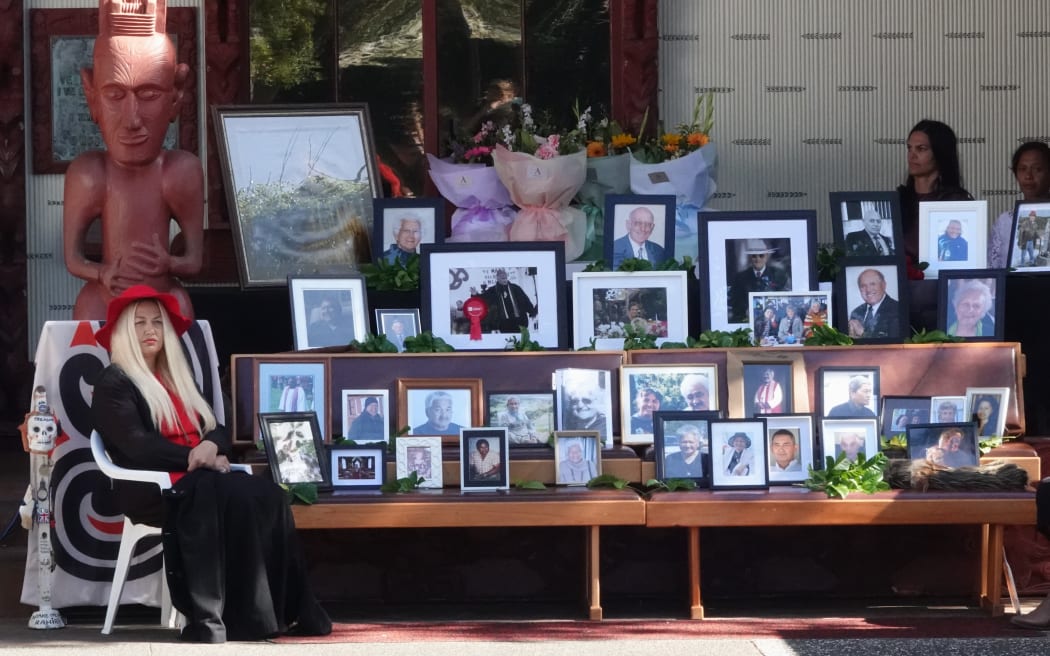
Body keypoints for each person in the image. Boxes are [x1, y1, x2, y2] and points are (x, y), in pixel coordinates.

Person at [89, 285, 330, 642]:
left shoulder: (177, 377)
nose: (150, 330)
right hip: (152, 486)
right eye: (138, 323)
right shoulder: (115, 381)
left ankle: (286, 610)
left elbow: (217, 427)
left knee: (267, 496)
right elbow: (136, 446)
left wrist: (207, 446)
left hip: (200, 477)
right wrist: (192, 456)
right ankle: (216, 619)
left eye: (157, 322)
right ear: (124, 332)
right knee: (227, 496)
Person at [63, 0, 205, 321]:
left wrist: (170, 264)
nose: (132, 120)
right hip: (104, 301)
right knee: (88, 311)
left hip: (161, 305)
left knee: (179, 310)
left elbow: (194, 262)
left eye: (149, 94)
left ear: (176, 98)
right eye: (114, 95)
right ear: (91, 97)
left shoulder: (180, 172)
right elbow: (73, 259)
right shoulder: (89, 174)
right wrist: (101, 275)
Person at [897, 119, 973, 263]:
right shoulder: (897, 200)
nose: (912, 156)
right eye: (909, 148)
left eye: (921, 149)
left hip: (943, 283)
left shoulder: (958, 202)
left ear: (940, 153)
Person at [989, 142, 1050, 268]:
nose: (1028, 176)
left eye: (1037, 169)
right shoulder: (1004, 221)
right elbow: (993, 268)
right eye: (1022, 169)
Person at [728, 239, 790, 323]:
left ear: (767, 256)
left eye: (761, 255)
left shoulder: (778, 275)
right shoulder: (740, 277)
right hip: (746, 320)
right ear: (750, 257)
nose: (758, 259)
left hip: (772, 319)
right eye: (754, 256)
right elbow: (734, 302)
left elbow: (785, 299)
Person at [476, 268, 537, 333]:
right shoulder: (493, 290)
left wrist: (532, 312)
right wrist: (475, 294)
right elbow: (483, 299)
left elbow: (525, 300)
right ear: (497, 278)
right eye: (502, 278)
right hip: (504, 324)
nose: (505, 280)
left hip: (520, 321)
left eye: (505, 278)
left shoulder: (515, 288)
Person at [847, 268, 900, 339]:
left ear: (884, 285)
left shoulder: (897, 309)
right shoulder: (856, 312)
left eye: (872, 284)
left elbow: (894, 342)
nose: (868, 290)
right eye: (863, 286)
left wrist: (863, 333)